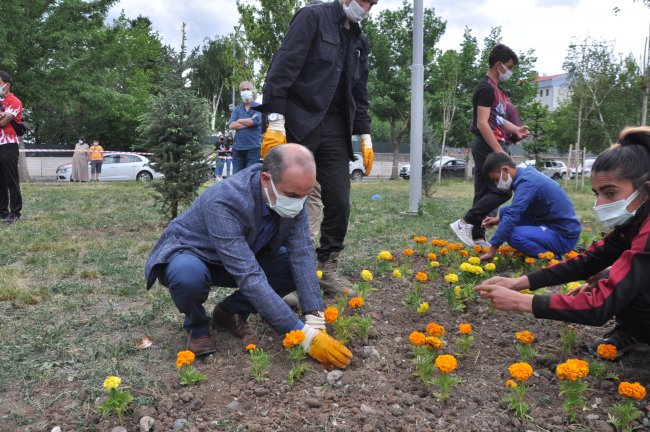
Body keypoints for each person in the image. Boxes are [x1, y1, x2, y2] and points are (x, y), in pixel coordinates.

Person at [144, 144, 353, 369]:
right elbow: (249, 276)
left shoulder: (293, 196)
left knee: (291, 267)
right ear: (265, 179)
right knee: (187, 277)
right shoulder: (225, 200)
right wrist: (304, 335)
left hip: (242, 255)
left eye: (304, 196)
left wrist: (315, 318)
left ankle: (230, 311)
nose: (298, 203)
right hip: (193, 255)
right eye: (292, 195)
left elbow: (302, 255)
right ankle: (197, 326)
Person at [475, 127, 650, 359]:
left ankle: (641, 333)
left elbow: (599, 306)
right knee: (608, 276)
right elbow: (587, 262)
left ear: (645, 189)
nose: (599, 203)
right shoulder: (635, 221)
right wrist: (519, 282)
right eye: (596, 193)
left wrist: (522, 302)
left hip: (559, 233)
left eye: (610, 193)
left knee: (617, 282)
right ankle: (637, 333)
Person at [256, 0, 377, 295]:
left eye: (372, 4)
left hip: (336, 128)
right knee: (288, 194)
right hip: (299, 121)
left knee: (339, 200)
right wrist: (275, 121)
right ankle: (276, 268)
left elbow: (359, 92)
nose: (367, 8)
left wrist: (365, 135)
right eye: (364, 1)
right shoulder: (312, 17)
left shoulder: (359, 40)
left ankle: (326, 268)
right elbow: (281, 70)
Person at [450, 44, 530, 248]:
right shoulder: (485, 88)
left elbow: (499, 119)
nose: (510, 72)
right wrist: (498, 150)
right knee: (504, 189)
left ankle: (477, 236)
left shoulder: (498, 90)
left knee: (483, 192)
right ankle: (465, 223)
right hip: (487, 145)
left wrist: (516, 130)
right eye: (509, 67)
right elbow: (482, 123)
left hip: (493, 144)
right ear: (498, 64)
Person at [478, 153, 581, 260]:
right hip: (548, 222)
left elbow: (513, 214)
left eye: (496, 179)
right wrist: (497, 220)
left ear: (505, 170)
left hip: (563, 236)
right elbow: (515, 211)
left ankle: (553, 259)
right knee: (504, 212)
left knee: (513, 235)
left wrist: (492, 249)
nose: (496, 184)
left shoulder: (528, 182)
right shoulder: (525, 174)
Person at [0, 70, 24, 224]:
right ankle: (2, 211)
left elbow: (3, 123)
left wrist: (3, 117)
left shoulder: (15, 102)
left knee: (11, 180)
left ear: (6, 85)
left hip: (9, 145)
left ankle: (15, 212)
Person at [229, 81, 262, 174]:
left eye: (248, 89)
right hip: (237, 148)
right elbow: (231, 125)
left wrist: (239, 120)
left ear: (252, 91)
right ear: (240, 92)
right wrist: (249, 121)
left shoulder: (259, 107)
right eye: (243, 90)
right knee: (236, 177)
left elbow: (255, 121)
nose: (245, 91)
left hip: (253, 148)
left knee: (250, 177)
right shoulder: (237, 109)